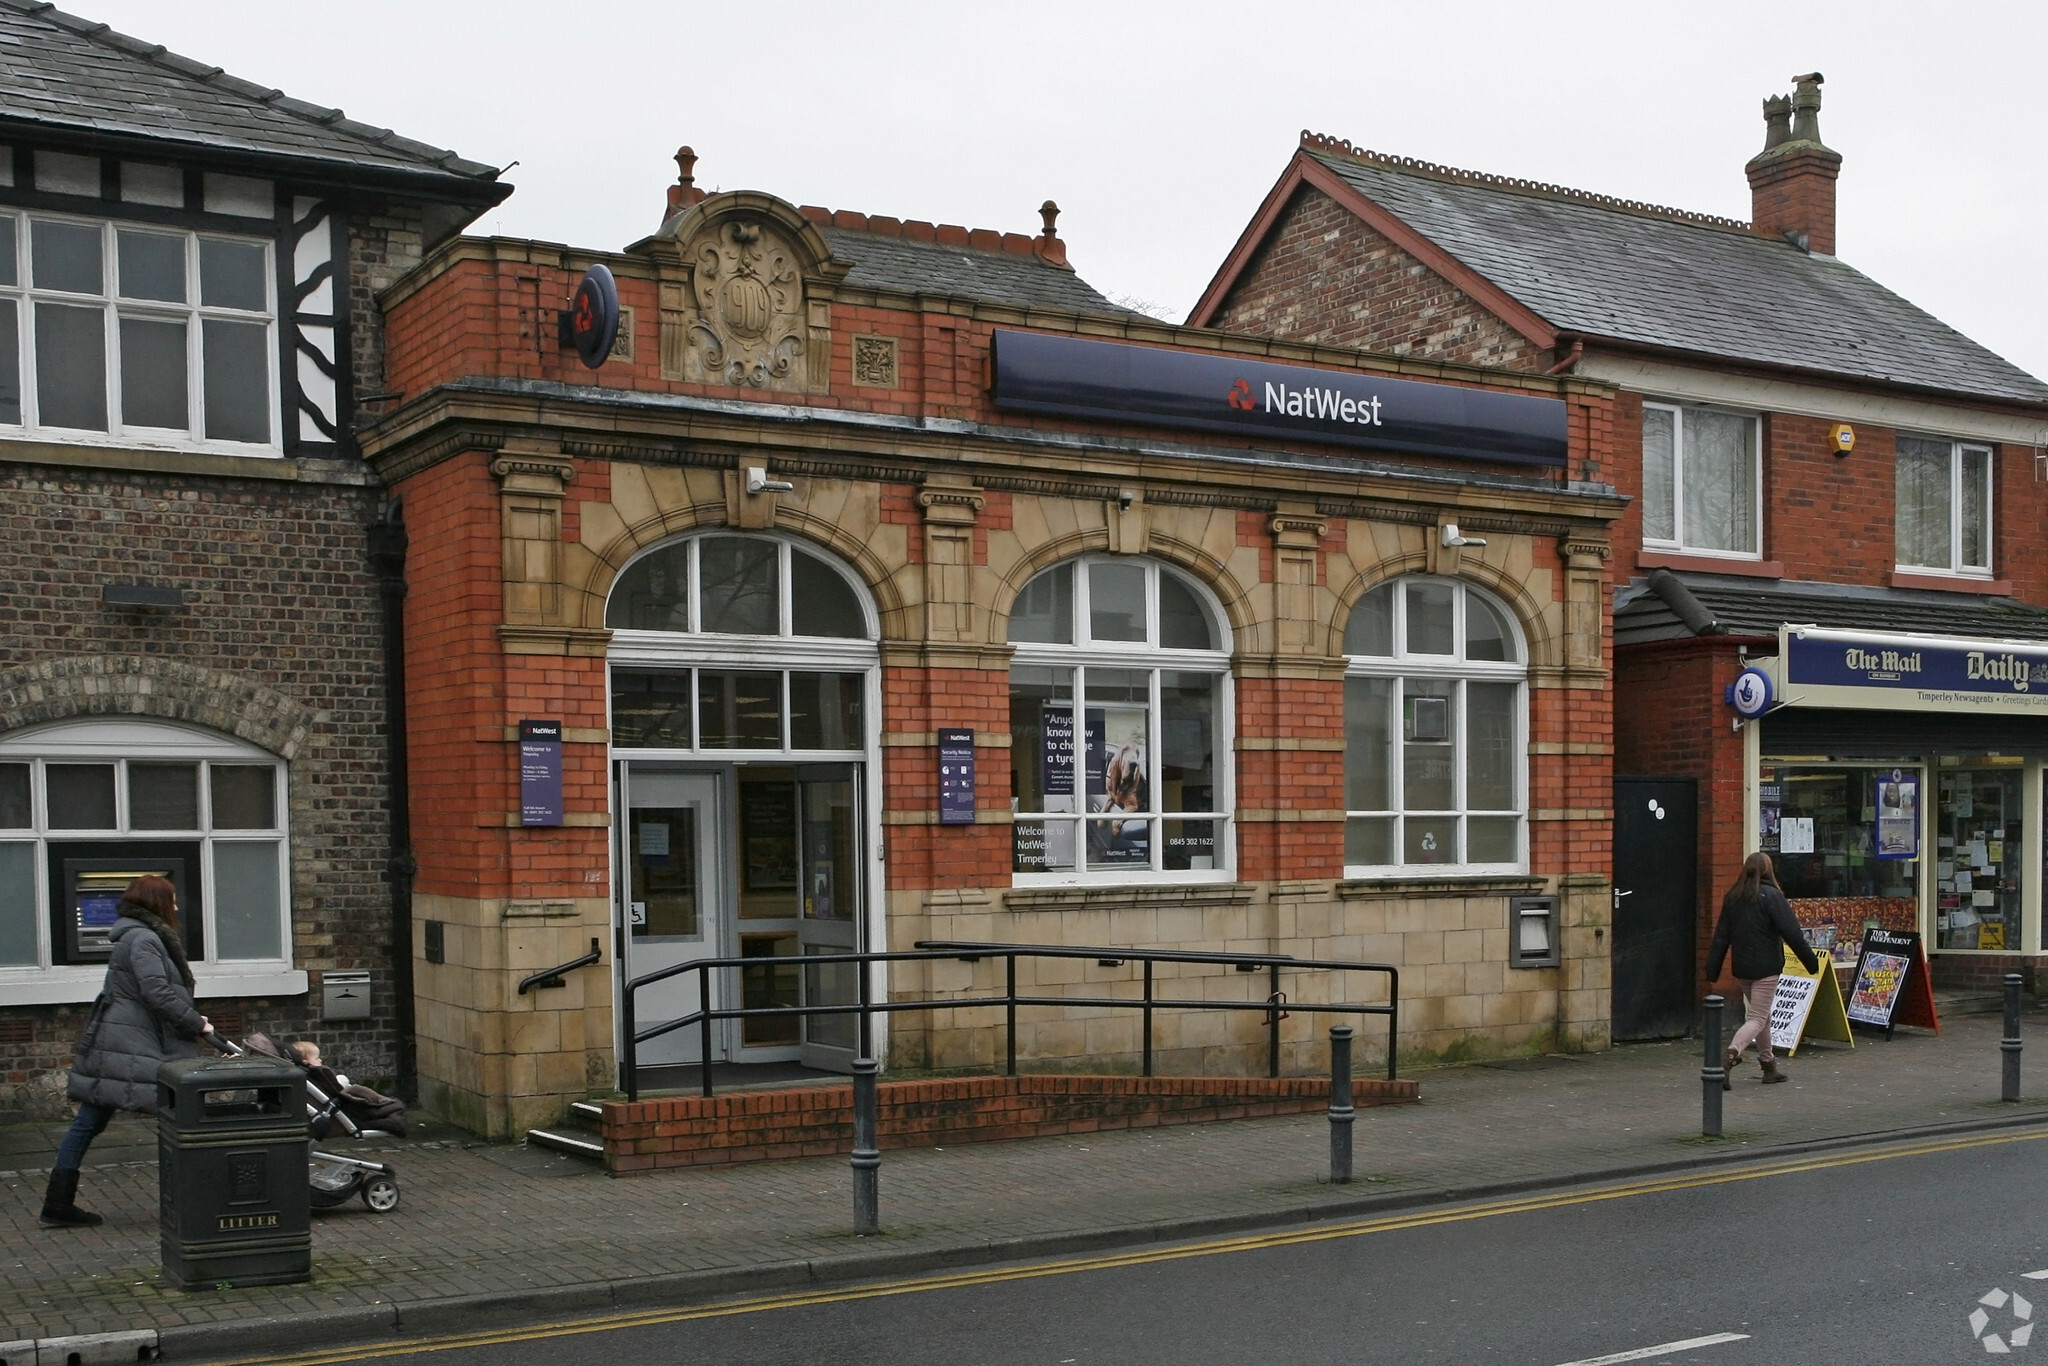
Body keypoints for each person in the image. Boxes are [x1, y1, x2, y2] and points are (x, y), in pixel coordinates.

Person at [41, 875, 208, 1228]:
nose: (177, 907)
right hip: (133, 1041)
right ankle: (199, 1197)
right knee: (178, 1111)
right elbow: (158, 993)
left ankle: (57, 1203)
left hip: (120, 1038)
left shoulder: (136, 936)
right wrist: (197, 1024)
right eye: (172, 900)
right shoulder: (145, 940)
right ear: (157, 903)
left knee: (89, 1121)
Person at [1705, 852, 1819, 1087]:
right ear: (1768, 870)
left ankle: (1769, 1067)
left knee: (1762, 1016)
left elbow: (1720, 937)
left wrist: (1712, 970)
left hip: (1743, 968)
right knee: (1757, 1018)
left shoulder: (1733, 897)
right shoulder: (1772, 896)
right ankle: (1728, 1057)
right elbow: (1792, 933)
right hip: (1766, 967)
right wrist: (1811, 963)